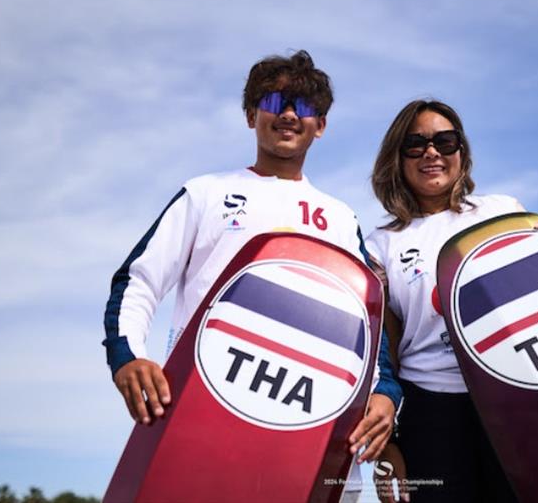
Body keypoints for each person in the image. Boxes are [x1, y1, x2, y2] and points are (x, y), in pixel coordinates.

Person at [101, 50, 401, 498]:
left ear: (320, 125)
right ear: (249, 115)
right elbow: (138, 281)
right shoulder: (206, 193)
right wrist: (128, 356)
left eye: (303, 106)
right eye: (273, 100)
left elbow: (367, 326)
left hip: (309, 434)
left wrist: (386, 394)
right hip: (202, 422)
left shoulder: (339, 218)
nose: (287, 114)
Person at [365, 99, 538, 503]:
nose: (431, 152)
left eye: (444, 141)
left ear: (461, 152)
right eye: (415, 144)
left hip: (515, 398)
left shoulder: (503, 211)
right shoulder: (381, 245)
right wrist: (389, 447)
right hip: (430, 413)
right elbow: (385, 351)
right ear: (396, 159)